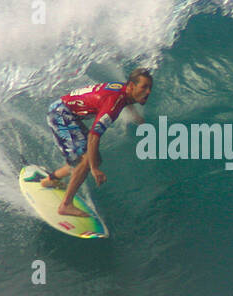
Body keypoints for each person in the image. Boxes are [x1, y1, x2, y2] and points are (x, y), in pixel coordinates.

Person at [30, 68, 153, 217]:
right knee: (87, 160)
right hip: (60, 115)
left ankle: (50, 180)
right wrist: (94, 169)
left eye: (149, 88)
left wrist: (134, 115)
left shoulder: (123, 89)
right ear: (132, 86)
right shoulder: (112, 106)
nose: (148, 92)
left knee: (90, 159)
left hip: (67, 112)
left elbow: (127, 99)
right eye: (144, 87)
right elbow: (94, 137)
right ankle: (65, 205)